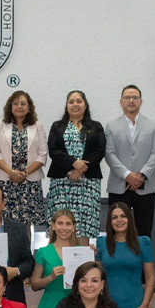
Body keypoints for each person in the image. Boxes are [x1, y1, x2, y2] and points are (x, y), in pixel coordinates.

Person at [103, 85, 155, 237]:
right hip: (119, 185)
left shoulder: (153, 125)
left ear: (141, 101)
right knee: (117, 230)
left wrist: (141, 175)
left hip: (146, 186)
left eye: (135, 98)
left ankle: (144, 261)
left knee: (144, 231)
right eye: (127, 98)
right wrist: (127, 174)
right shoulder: (111, 126)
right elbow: (109, 153)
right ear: (121, 101)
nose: (131, 101)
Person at [47, 90, 106, 243]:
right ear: (66, 106)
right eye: (71, 101)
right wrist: (73, 163)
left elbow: (100, 150)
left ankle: (82, 264)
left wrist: (80, 169)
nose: (75, 105)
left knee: (83, 227)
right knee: (61, 224)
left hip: (88, 183)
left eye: (79, 101)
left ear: (85, 105)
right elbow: (53, 150)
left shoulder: (96, 126)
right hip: (61, 183)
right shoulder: (57, 126)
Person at [0, 90, 49, 233]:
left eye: (23, 103)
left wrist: (24, 173)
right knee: (4, 223)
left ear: (29, 107)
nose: (19, 106)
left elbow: (42, 154)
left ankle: (25, 255)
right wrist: (12, 172)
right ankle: (6, 256)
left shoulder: (37, 126)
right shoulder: (0, 124)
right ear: (10, 107)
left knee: (26, 225)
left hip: (30, 182)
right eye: (15, 103)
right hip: (5, 181)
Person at [97, 202, 155, 308]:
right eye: (114, 217)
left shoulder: (143, 243)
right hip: (108, 305)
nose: (119, 220)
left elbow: (151, 277)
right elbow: (96, 276)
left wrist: (144, 306)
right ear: (109, 222)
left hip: (135, 306)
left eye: (123, 216)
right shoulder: (101, 243)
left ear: (129, 218)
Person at [31, 210, 80, 308]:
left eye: (68, 224)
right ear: (52, 225)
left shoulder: (82, 251)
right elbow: (34, 284)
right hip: (50, 304)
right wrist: (50, 277)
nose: (64, 228)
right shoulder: (43, 252)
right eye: (60, 223)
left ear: (74, 227)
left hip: (76, 305)